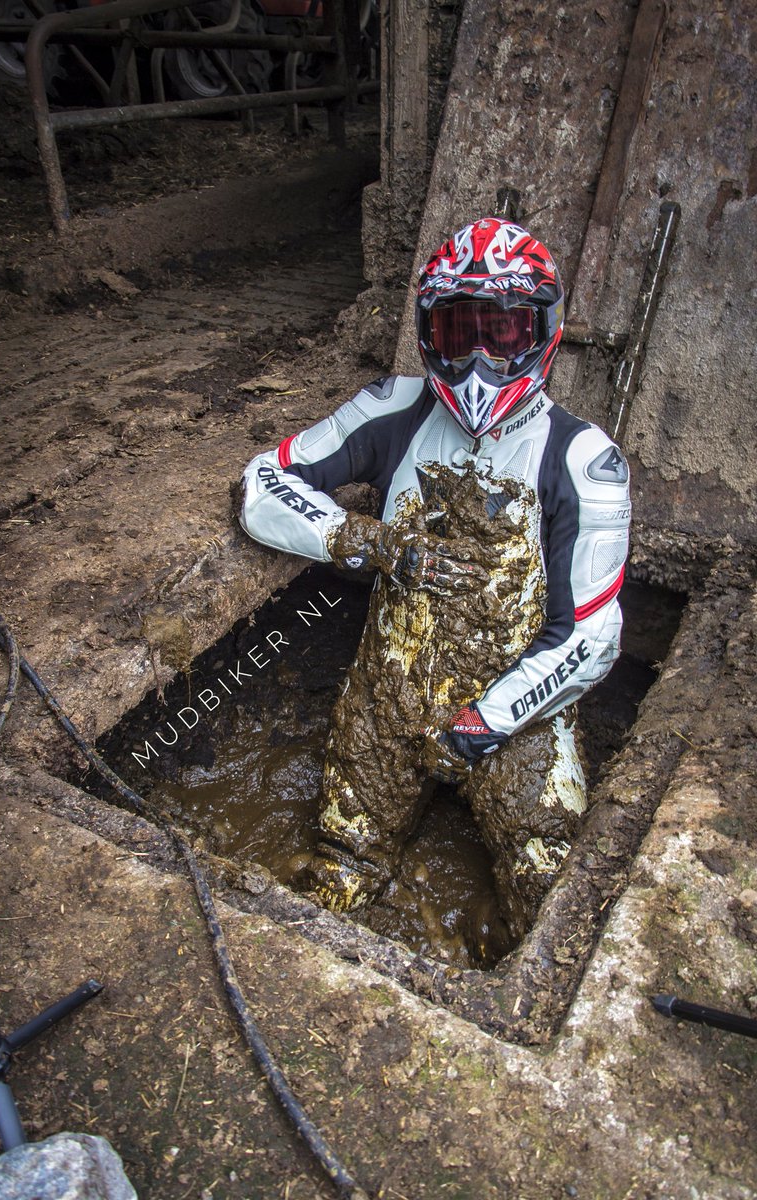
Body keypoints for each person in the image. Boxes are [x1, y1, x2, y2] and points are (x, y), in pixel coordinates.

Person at [237, 218, 631, 938]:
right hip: (390, 695)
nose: (480, 358)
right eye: (459, 334)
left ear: (543, 332)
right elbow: (264, 483)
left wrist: (486, 723)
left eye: (503, 333)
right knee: (338, 873)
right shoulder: (393, 406)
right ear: (429, 334)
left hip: (519, 715)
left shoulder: (583, 460)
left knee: (549, 894)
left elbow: (593, 634)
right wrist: (362, 540)